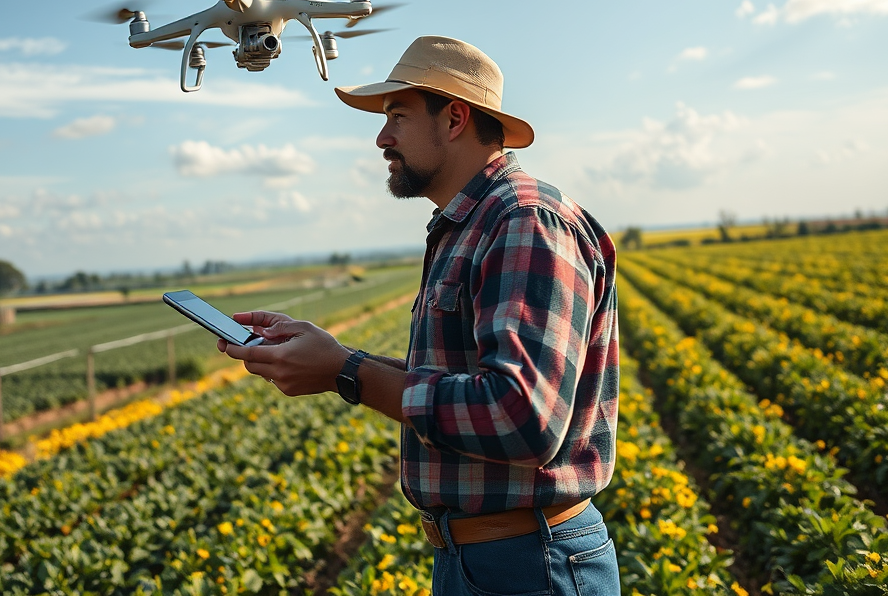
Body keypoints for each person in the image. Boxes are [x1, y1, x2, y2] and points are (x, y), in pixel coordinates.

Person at [219, 36, 621, 595]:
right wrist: (337, 357)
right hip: (484, 558)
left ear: (454, 118)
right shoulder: (472, 225)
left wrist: (347, 372)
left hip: (531, 565)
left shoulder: (524, 222)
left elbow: (522, 416)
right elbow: (467, 381)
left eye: (397, 116)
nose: (382, 138)